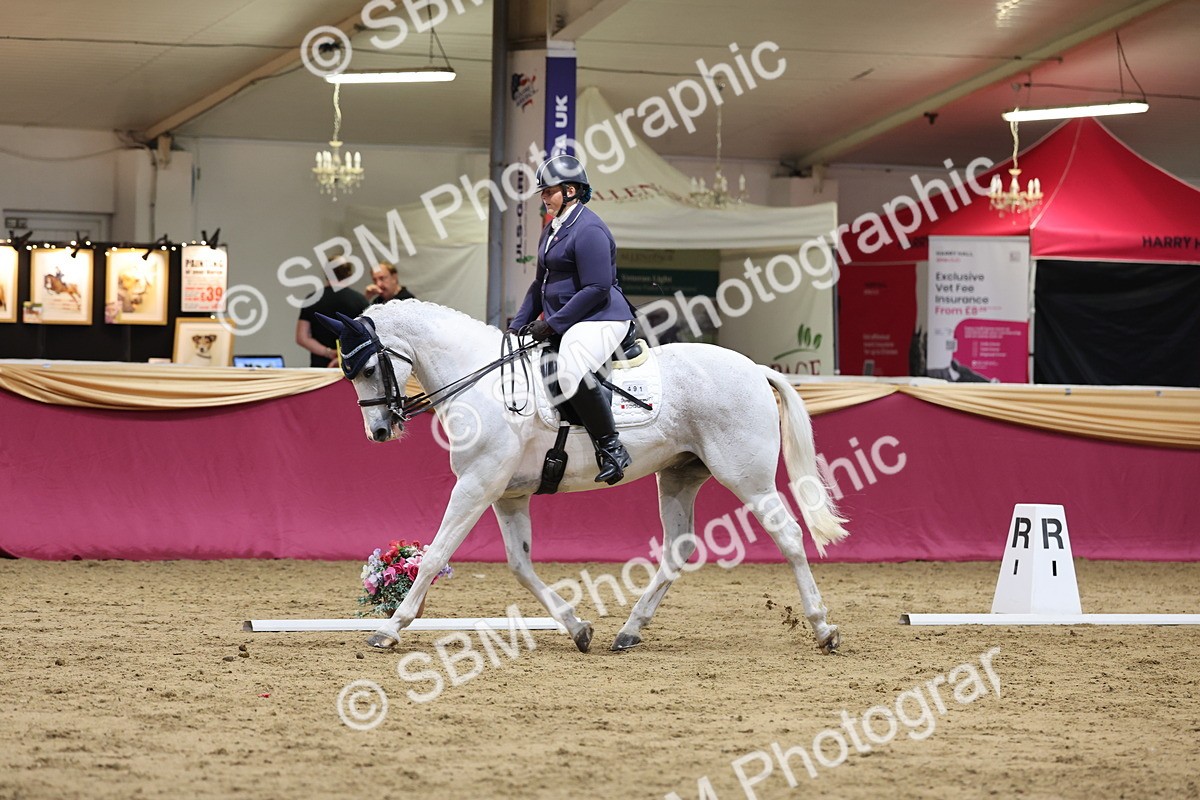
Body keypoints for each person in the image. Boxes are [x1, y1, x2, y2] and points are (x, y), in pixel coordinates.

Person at [508, 154, 635, 485]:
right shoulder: (552, 228)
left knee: (571, 365)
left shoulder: (589, 229)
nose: (543, 199)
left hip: (601, 317)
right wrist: (515, 326)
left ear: (571, 190)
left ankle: (612, 448)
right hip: (571, 318)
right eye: (543, 192)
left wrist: (552, 324)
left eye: (548, 192)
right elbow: (540, 283)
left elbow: (597, 287)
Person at [296, 262, 369, 367]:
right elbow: (366, 336)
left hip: (320, 369)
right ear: (349, 274)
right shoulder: (360, 300)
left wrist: (328, 352)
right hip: (352, 367)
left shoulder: (311, 299)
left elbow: (302, 337)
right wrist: (342, 355)